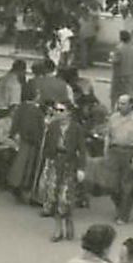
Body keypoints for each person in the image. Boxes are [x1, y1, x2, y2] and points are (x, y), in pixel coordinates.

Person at [37, 103, 85, 241]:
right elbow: (46, 147)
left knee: (65, 197)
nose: (58, 112)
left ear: (69, 112)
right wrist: (47, 163)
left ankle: (69, 221)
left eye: (61, 110)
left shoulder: (76, 128)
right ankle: (58, 229)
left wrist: (81, 168)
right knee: (53, 196)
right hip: (54, 163)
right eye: (56, 110)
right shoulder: (52, 126)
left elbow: (82, 150)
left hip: (69, 164)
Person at [102, 94, 133, 222]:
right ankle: (119, 205)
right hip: (114, 151)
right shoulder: (113, 118)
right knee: (111, 184)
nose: (120, 106)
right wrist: (105, 151)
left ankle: (124, 214)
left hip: (130, 151)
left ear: (130, 105)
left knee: (128, 185)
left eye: (123, 103)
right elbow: (107, 135)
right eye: (119, 103)